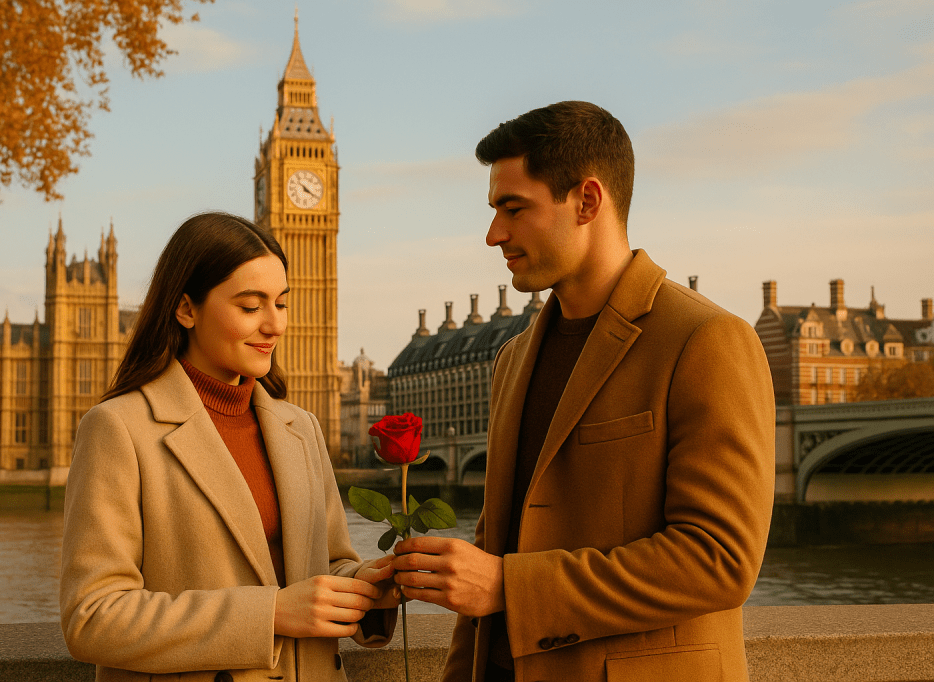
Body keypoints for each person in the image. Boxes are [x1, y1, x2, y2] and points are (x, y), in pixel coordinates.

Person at [391, 101, 776, 682]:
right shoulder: (512, 360)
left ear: (587, 202)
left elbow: (719, 560)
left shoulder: (705, 339)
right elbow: (492, 552)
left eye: (514, 208)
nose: (494, 235)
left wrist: (509, 587)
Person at [60, 212, 399, 682]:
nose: (275, 324)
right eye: (251, 306)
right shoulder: (119, 429)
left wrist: (369, 583)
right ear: (186, 309)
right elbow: (93, 618)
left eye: (281, 303)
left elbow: (329, 565)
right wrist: (271, 613)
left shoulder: (301, 428)